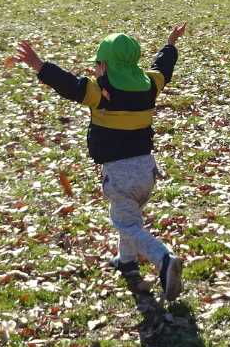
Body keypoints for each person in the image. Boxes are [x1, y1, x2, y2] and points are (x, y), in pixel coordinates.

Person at [13, 26, 187, 299]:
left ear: (104, 64)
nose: (94, 69)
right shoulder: (150, 84)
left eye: (97, 63)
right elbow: (163, 67)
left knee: (127, 224)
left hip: (119, 174)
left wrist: (38, 65)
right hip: (147, 170)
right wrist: (171, 43)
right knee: (129, 217)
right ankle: (127, 262)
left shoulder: (100, 92)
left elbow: (69, 85)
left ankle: (163, 259)